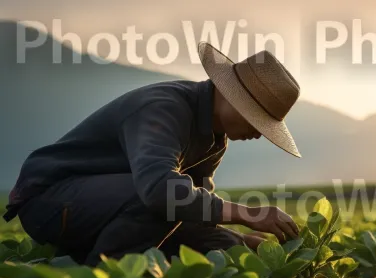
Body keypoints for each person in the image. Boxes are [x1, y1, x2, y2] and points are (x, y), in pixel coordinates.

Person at [3, 41, 303, 266]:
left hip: (108, 206)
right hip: (48, 201)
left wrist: (244, 243)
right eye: (256, 117)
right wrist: (246, 213)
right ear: (228, 94)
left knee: (214, 239)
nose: (259, 132)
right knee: (167, 197)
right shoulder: (163, 108)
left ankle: (93, 264)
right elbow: (160, 191)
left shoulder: (214, 140)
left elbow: (196, 214)